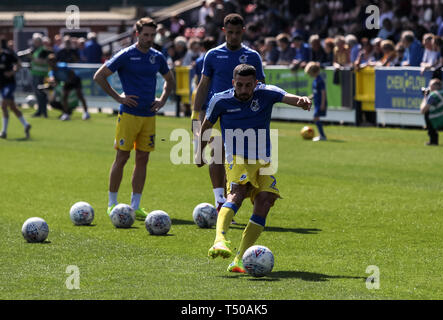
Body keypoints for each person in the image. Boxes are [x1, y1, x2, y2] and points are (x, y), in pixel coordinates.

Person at [195, 64, 311, 273]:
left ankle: (239, 259)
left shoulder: (266, 93)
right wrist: (198, 152)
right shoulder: (220, 100)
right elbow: (206, 125)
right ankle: (219, 239)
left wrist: (301, 101)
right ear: (233, 83)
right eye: (239, 85)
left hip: (263, 159)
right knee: (238, 192)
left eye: (249, 85)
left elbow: (287, 96)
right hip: (236, 157)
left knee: (266, 200)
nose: (244, 89)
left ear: (256, 84)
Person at [93, 17, 175, 219]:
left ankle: (136, 205)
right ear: (137, 34)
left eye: (152, 35)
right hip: (129, 115)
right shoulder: (126, 55)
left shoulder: (158, 57)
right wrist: (118, 97)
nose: (149, 38)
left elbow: (170, 80)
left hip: (149, 116)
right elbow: (99, 76)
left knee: (143, 159)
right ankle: (112, 204)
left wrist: (162, 100)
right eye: (145, 35)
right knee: (122, 157)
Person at [191, 13, 265, 213]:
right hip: (217, 113)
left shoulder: (253, 56)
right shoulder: (213, 55)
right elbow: (203, 85)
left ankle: (236, 197)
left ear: (243, 31)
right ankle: (220, 201)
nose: (233, 37)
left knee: (237, 161)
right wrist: (195, 115)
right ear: (224, 31)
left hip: (243, 116)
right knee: (217, 155)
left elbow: (262, 87)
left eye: (236, 33)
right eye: (229, 33)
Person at [0, 41, 31, 139]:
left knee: (4, 106)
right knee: (12, 107)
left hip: (9, 84)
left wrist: (12, 72)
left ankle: (4, 132)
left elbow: (19, 64)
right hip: (1, 85)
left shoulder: (7, 55)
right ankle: (26, 124)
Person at [47, 53, 90, 121]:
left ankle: (86, 113)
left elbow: (71, 73)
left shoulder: (62, 66)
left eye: (53, 61)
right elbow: (52, 79)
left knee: (79, 95)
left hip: (75, 80)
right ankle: (66, 114)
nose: (52, 63)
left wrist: (69, 81)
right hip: (67, 82)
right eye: (50, 62)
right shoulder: (51, 72)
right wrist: (52, 82)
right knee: (64, 97)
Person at [420, 78, 443, 146]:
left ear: (437, 86)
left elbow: (423, 110)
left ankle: (433, 140)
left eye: (431, 85)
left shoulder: (433, 95)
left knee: (427, 114)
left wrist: (425, 97)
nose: (429, 88)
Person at [30, 33, 51, 118]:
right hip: (35, 74)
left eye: (35, 41)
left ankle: (44, 112)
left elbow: (43, 62)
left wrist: (32, 58)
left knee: (41, 94)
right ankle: (39, 111)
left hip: (41, 75)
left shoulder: (43, 50)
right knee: (37, 94)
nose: (34, 43)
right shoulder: (36, 50)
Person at [305, 61, 327, 141]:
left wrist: (323, 104)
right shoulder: (315, 80)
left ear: (313, 72)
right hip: (317, 103)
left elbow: (323, 93)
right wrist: (309, 98)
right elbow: (315, 93)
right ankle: (322, 135)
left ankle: (322, 136)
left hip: (320, 103)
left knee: (315, 118)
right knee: (316, 118)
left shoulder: (320, 80)